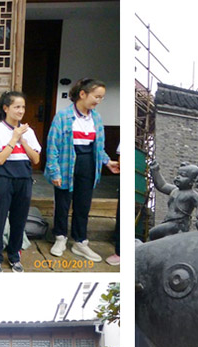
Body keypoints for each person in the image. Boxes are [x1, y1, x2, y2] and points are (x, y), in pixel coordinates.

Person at [44, 78, 120, 262]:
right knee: (62, 203)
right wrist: (54, 171)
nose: (98, 101)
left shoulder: (96, 118)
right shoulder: (63, 116)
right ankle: (60, 238)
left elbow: (98, 146)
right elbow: (52, 146)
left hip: (88, 163)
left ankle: (80, 242)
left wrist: (107, 162)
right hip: (66, 162)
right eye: (96, 96)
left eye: (101, 97)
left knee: (83, 204)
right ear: (82, 94)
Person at [0, 91, 41, 273]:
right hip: (3, 179)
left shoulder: (29, 131)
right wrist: (13, 138)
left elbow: (35, 159)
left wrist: (23, 140)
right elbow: (0, 159)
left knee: (19, 221)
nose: (21, 111)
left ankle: (14, 256)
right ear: (6, 108)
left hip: (24, 180)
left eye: (23, 107)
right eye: (16, 107)